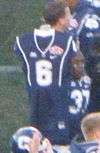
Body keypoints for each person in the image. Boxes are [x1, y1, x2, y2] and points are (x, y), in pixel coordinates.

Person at [13, 1, 78, 146]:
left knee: (36, 143)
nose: (70, 18)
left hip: (35, 104)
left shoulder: (23, 40)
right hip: (58, 103)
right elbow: (77, 69)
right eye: (68, 14)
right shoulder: (67, 41)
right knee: (60, 145)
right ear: (61, 19)